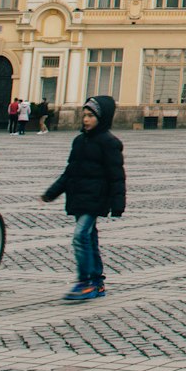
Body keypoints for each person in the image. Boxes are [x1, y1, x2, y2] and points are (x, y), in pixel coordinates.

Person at [40, 95, 126, 301]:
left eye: (91, 116)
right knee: (89, 238)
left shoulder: (110, 143)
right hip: (79, 197)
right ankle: (96, 281)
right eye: (84, 115)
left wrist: (118, 204)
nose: (86, 119)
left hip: (96, 198)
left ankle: (85, 282)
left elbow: (117, 176)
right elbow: (69, 171)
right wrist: (52, 192)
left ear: (102, 118)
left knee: (80, 236)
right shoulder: (79, 141)